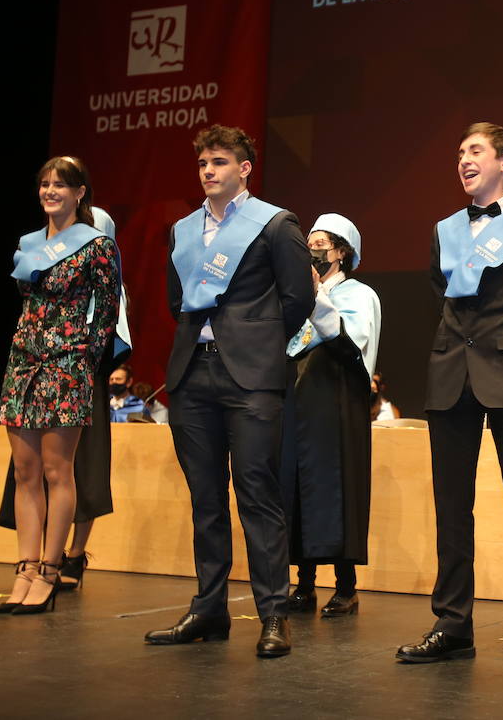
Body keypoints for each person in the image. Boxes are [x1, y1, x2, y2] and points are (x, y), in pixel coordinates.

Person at [396, 122, 503, 678]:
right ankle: (452, 624)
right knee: (452, 508)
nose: (464, 161)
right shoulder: (446, 229)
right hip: (452, 372)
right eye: (459, 154)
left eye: (475, 152)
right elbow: (439, 293)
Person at [145, 124, 313, 659]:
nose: (208, 171)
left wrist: (257, 343)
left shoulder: (275, 224)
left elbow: (297, 300)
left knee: (258, 495)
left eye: (219, 162)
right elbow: (178, 301)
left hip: (252, 378)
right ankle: (209, 610)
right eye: (202, 164)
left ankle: (273, 615)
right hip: (193, 373)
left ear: (244, 169)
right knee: (205, 499)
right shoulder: (181, 230)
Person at [0, 157, 120, 615]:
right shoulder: (28, 244)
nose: (50, 191)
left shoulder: (96, 247)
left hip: (67, 366)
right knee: (24, 474)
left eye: (60, 185)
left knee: (56, 471)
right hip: (22, 363)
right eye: (45, 184)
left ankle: (51, 568)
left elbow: (106, 315)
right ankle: (25, 568)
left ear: (80, 192)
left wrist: (79, 359)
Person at [283, 213, 382, 618]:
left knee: (336, 490)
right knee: (298, 490)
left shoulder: (359, 295)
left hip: (338, 405)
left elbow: (350, 344)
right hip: (299, 404)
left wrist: (315, 296)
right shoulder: (296, 294)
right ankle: (303, 584)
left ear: (341, 252)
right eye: (309, 242)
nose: (314, 250)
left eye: (321, 243)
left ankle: (346, 586)